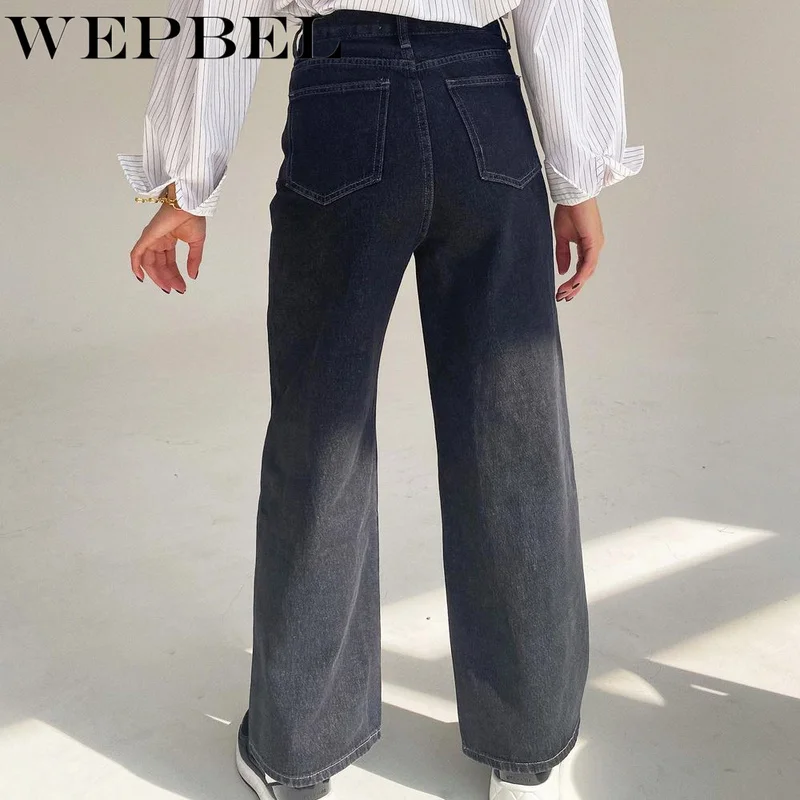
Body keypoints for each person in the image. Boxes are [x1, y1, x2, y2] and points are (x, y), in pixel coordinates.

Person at [121, 2, 644, 799]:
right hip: (483, 97)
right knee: (515, 433)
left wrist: (183, 188)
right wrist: (579, 175)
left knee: (320, 430)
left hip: (345, 94)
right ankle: (530, 753)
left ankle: (296, 754)